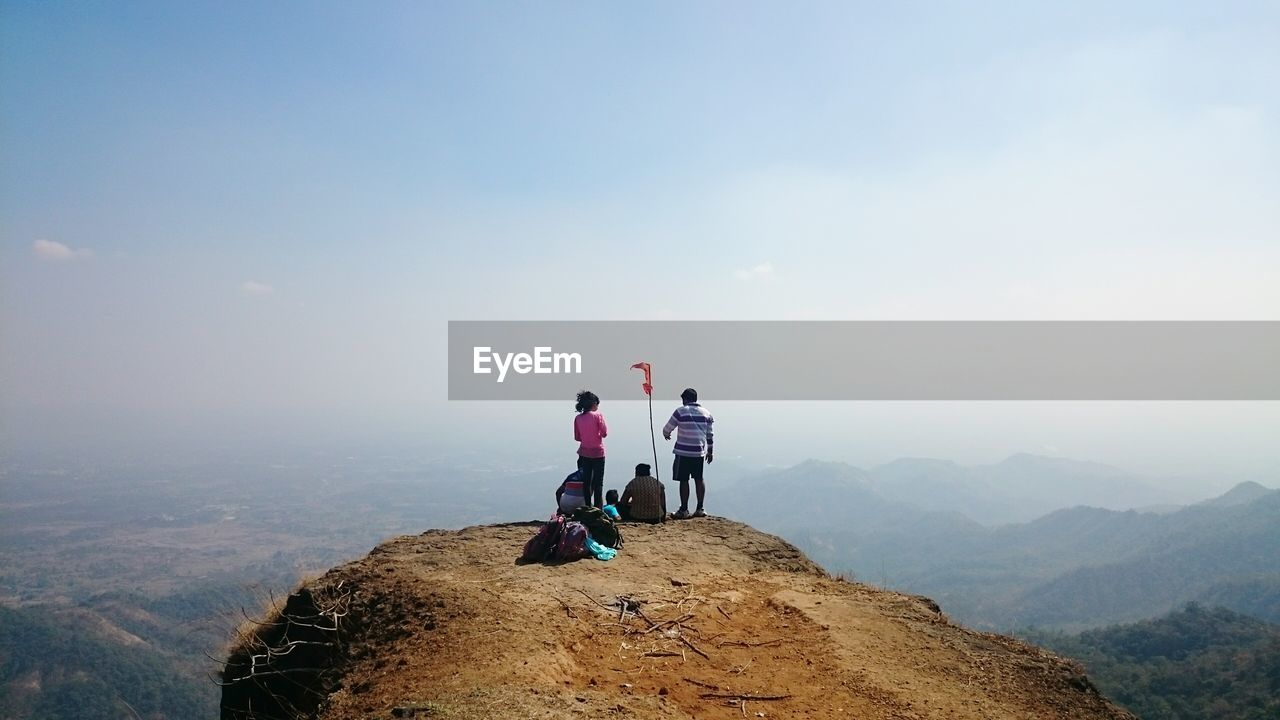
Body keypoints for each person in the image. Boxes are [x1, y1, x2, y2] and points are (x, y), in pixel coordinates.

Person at [662, 388, 713, 518]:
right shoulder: (706, 413)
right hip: (699, 451)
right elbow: (710, 435)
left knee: (683, 480)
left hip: (683, 451)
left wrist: (666, 434)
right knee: (699, 478)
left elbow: (667, 428)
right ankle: (700, 508)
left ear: (685, 399)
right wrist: (710, 451)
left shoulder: (680, 411)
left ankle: (684, 509)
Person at [573, 390, 608, 508]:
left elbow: (577, 437)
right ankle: (598, 509)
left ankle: (588, 507)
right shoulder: (598, 416)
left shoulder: (578, 418)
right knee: (598, 484)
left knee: (586, 482)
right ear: (593, 404)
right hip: (598, 453)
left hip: (584, 453)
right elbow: (604, 433)